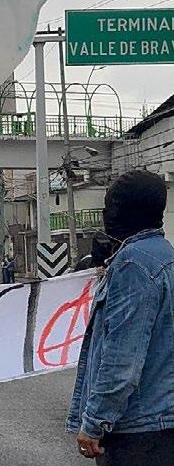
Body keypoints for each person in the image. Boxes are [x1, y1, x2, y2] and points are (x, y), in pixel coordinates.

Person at [67, 170, 174, 465]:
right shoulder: (166, 256)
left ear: (128, 210)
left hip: (137, 431)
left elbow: (122, 358)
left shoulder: (132, 264)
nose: (107, 215)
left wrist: (95, 421)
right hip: (163, 422)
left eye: (112, 206)